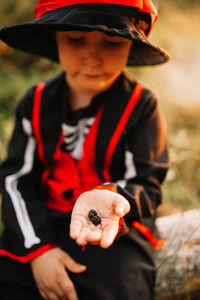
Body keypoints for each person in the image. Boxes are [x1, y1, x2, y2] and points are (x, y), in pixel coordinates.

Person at [0, 1, 170, 299]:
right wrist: (38, 249)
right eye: (76, 39)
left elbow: (147, 183)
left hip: (113, 232)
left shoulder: (142, 105)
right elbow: (16, 179)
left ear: (130, 46)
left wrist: (111, 196)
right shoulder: (35, 101)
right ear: (54, 37)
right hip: (41, 224)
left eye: (112, 42)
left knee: (122, 286)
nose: (93, 57)